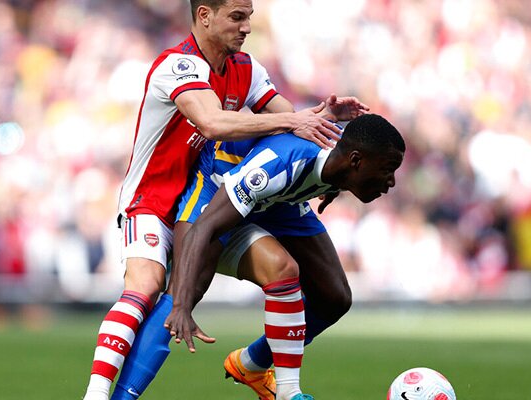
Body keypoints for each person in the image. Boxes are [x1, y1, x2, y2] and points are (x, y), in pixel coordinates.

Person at [81, 0, 367, 398]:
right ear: (204, 16)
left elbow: (291, 122)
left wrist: (320, 115)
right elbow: (213, 124)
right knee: (147, 286)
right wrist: (292, 120)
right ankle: (96, 394)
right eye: (237, 16)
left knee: (282, 269)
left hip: (209, 200)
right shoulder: (178, 65)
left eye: (248, 16)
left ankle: (275, 381)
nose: (247, 26)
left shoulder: (245, 69)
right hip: (153, 202)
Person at [165, 113, 405, 400]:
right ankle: (289, 393)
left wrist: (338, 186)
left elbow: (342, 151)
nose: (391, 182)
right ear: (355, 162)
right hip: (219, 186)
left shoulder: (341, 163)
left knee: (334, 298)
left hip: (281, 198)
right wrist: (181, 304)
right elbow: (202, 228)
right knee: (184, 295)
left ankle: (250, 364)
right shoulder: (278, 164)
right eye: (388, 169)